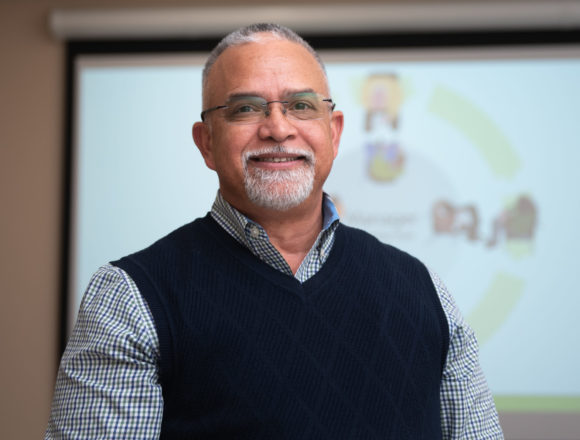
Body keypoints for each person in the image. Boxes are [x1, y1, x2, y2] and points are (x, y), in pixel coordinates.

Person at [46, 23, 503, 439]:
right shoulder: (130, 298)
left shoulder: (422, 290)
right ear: (207, 142)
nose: (278, 129)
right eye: (246, 108)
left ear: (334, 133)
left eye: (301, 106)